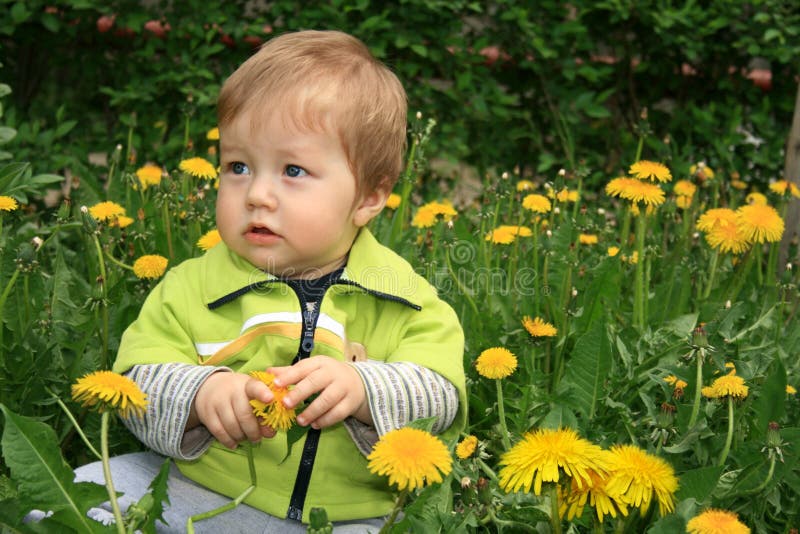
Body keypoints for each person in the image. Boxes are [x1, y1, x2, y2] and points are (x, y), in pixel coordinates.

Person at [74, 30, 466, 532]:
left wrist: (363, 388)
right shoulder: (191, 287)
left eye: (293, 170)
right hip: (197, 491)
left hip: (349, 515)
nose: (257, 193)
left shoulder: (406, 300)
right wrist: (201, 394)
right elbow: (134, 382)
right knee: (90, 488)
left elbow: (441, 396)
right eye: (238, 166)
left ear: (369, 196)